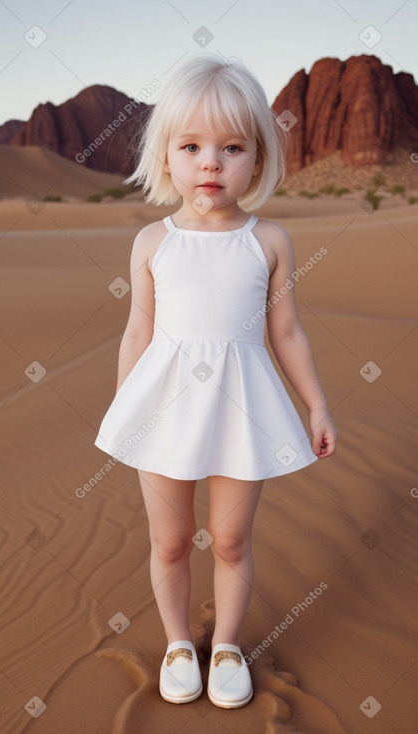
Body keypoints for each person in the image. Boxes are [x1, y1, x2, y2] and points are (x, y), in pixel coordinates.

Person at [94, 54, 337, 709]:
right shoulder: (152, 241)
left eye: (231, 148)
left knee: (230, 538)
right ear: (166, 157)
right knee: (169, 539)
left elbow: (283, 332)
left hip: (242, 409)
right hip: (163, 407)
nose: (210, 163)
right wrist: (127, 416)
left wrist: (314, 405)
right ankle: (179, 642)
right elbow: (137, 335)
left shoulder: (269, 240)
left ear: (256, 160)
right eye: (192, 146)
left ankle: (225, 644)